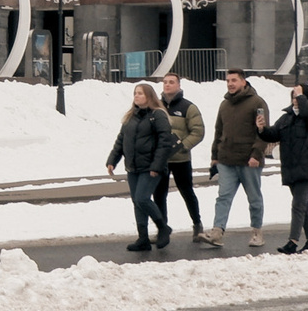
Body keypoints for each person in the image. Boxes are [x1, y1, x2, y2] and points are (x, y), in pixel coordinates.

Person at [104, 80, 176, 253]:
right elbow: (121, 140)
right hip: (133, 167)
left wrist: (157, 166)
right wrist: (112, 160)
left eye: (140, 93)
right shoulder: (131, 116)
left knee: (143, 198)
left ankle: (163, 227)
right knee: (137, 202)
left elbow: (164, 142)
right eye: (135, 93)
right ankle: (142, 238)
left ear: (149, 96)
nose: (136, 96)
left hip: (150, 167)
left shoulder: (157, 115)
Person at [261, 77, 308, 253]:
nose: (295, 99)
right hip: (290, 169)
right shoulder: (286, 118)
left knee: (298, 205)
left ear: (306, 98)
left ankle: (292, 241)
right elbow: (273, 135)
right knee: (304, 207)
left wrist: (302, 97)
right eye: (293, 96)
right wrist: (261, 129)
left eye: (298, 96)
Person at [211, 67, 272, 249]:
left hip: (249, 161)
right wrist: (215, 156)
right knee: (223, 197)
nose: (230, 84)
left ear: (243, 82)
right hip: (227, 160)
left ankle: (256, 231)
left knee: (254, 198)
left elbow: (263, 132)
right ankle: (217, 231)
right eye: (228, 81)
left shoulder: (257, 103)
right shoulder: (224, 105)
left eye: (234, 80)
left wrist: (256, 154)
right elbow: (218, 131)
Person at [157, 71, 210, 246]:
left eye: (171, 82)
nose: (167, 85)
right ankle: (162, 229)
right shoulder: (156, 107)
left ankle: (197, 224)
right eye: (165, 82)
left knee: (187, 192)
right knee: (159, 194)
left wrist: (183, 145)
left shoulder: (189, 107)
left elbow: (198, 131)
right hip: (161, 160)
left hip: (181, 159)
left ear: (179, 85)